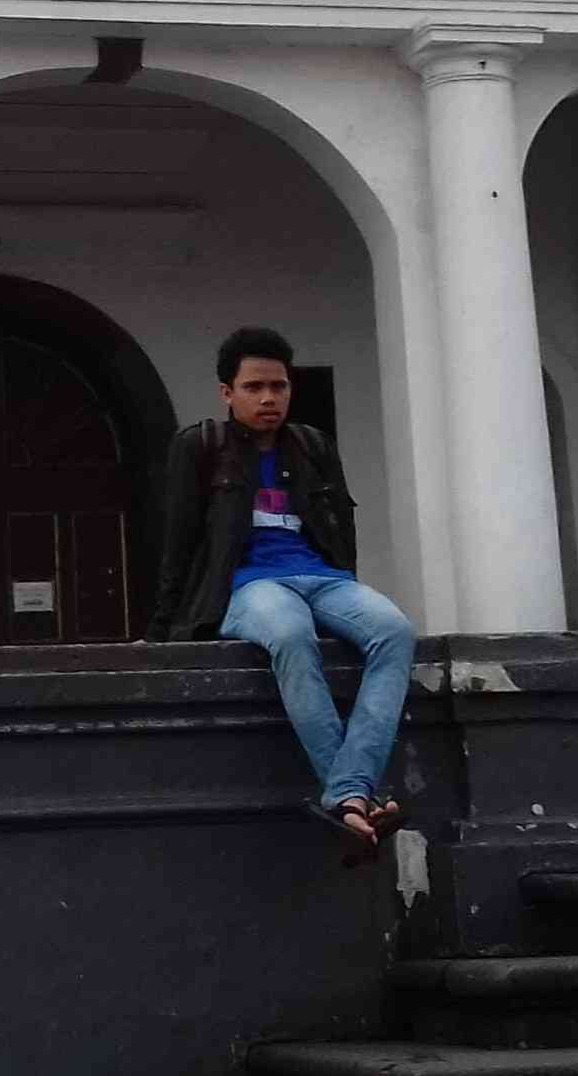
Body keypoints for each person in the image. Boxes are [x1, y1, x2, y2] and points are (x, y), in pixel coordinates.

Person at [146, 327, 416, 855]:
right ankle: (355, 795)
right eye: (254, 387)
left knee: (394, 631)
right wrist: (162, 629)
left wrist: (348, 583)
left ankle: (346, 795)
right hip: (250, 586)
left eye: (279, 386)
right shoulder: (201, 446)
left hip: (325, 580)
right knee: (292, 638)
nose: (269, 398)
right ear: (228, 392)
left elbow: (342, 525)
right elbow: (177, 540)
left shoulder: (313, 445)